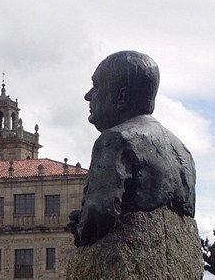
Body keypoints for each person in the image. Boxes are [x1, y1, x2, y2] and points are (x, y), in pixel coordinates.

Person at [68, 50, 196, 247]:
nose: (88, 96)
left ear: (122, 96)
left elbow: (99, 214)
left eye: (96, 87)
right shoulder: (183, 150)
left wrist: (80, 228)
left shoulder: (115, 140)